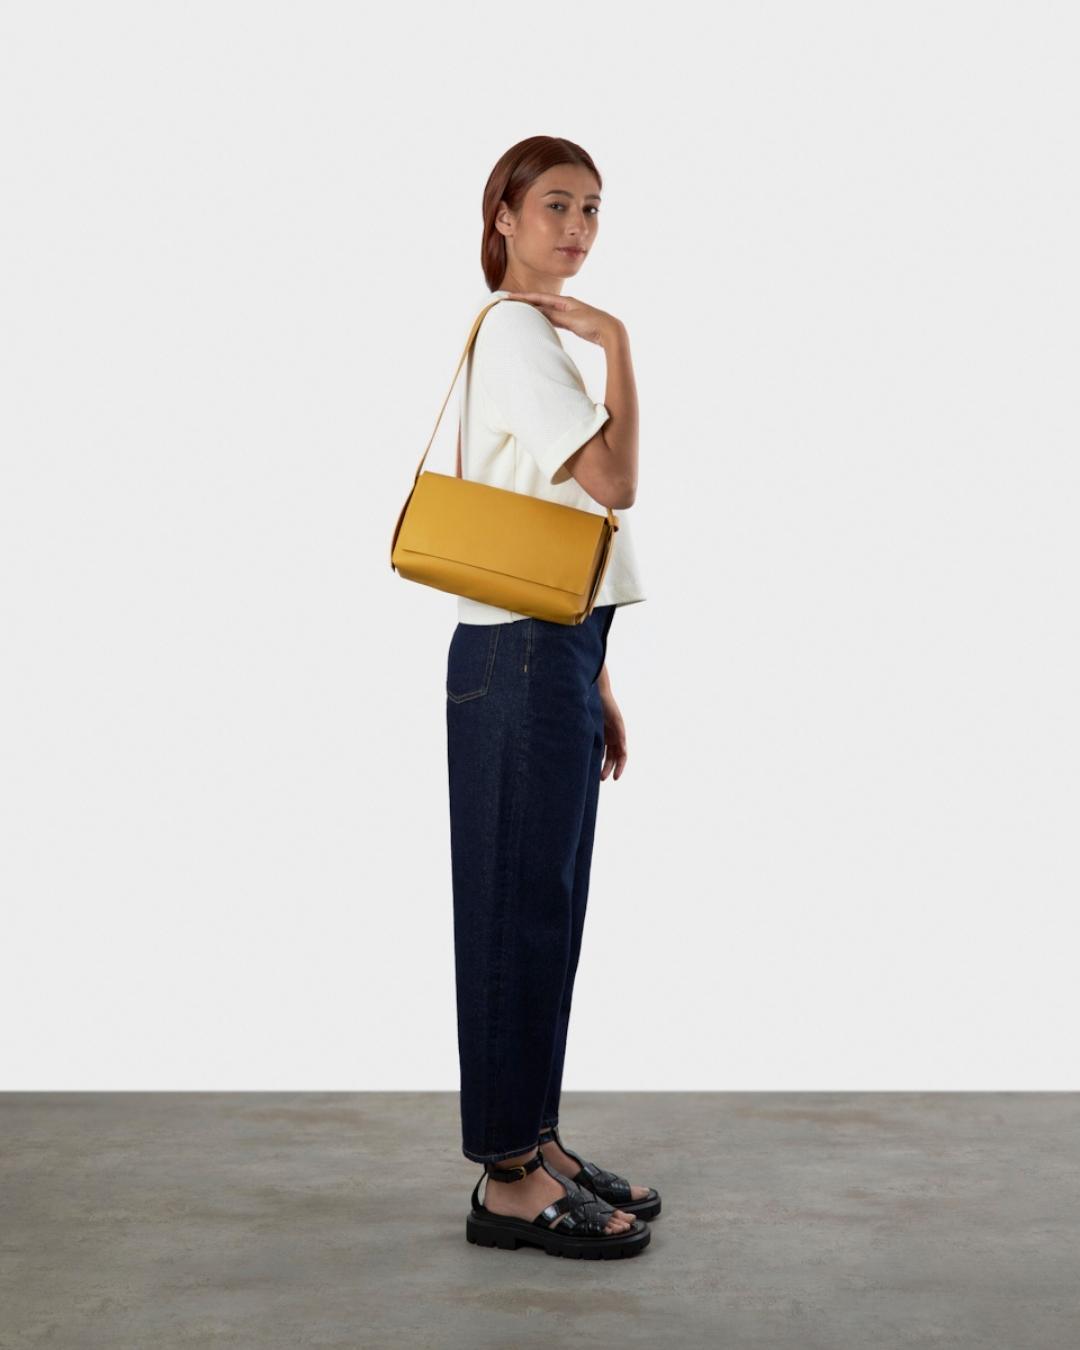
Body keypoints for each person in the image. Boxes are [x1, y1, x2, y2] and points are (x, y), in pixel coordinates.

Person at [447, 137, 660, 1260]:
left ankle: (537, 1142)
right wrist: (617, 343)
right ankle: (507, 1181)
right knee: (513, 916)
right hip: (520, 656)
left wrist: (599, 678)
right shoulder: (521, 334)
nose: (577, 228)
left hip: (553, 649)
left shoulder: (531, 339)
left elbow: (558, 526)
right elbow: (614, 483)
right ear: (505, 217)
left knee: (546, 914)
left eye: (592, 209)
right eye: (556, 207)